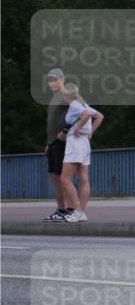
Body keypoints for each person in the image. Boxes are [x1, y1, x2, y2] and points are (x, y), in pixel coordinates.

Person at [59, 83, 104, 223]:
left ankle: (77, 211)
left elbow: (85, 115)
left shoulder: (74, 105)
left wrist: (78, 127)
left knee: (64, 179)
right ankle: (82, 212)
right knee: (83, 178)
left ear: (66, 95)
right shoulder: (83, 104)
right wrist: (90, 132)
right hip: (85, 143)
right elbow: (99, 116)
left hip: (75, 142)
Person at [42, 69, 70, 222]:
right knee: (54, 176)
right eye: (49, 80)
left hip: (61, 143)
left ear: (62, 79)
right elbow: (52, 123)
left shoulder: (66, 94)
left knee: (61, 177)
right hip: (53, 143)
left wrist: (65, 131)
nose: (52, 82)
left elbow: (82, 112)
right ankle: (61, 209)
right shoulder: (54, 97)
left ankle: (70, 210)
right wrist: (49, 142)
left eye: (55, 79)